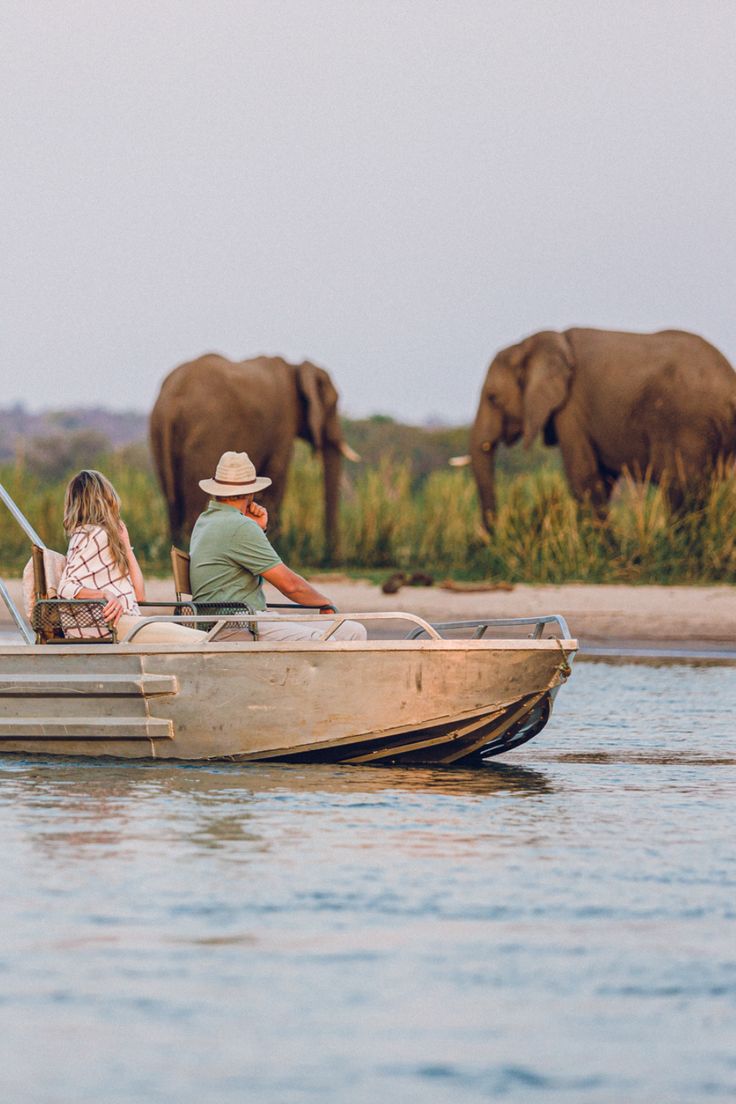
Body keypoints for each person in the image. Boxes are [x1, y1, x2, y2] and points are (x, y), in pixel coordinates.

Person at [189, 451, 367, 641]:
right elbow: (290, 586)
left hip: (240, 620)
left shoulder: (206, 519)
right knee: (324, 641)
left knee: (352, 630)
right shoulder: (239, 526)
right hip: (235, 625)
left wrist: (258, 528)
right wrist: (325, 602)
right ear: (251, 492)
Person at [58, 469, 207, 643]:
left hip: (122, 623)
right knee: (200, 639)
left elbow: (139, 596)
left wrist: (127, 546)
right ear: (102, 500)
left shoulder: (101, 537)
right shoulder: (95, 535)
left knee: (195, 637)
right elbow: (65, 587)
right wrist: (104, 594)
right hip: (109, 626)